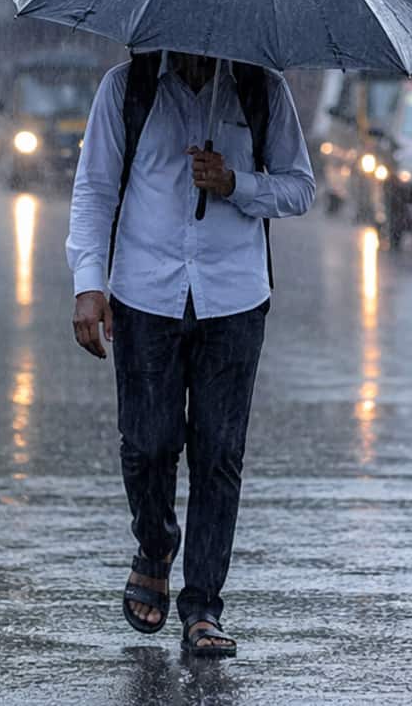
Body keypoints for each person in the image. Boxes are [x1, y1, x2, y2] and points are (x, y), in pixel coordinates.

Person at [67, 51, 315, 658]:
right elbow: (95, 189)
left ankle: (203, 605)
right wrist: (88, 284)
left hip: (234, 296)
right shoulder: (127, 89)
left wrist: (237, 184)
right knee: (147, 443)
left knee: (218, 453)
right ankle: (155, 547)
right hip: (144, 292)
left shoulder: (262, 88)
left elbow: (301, 187)